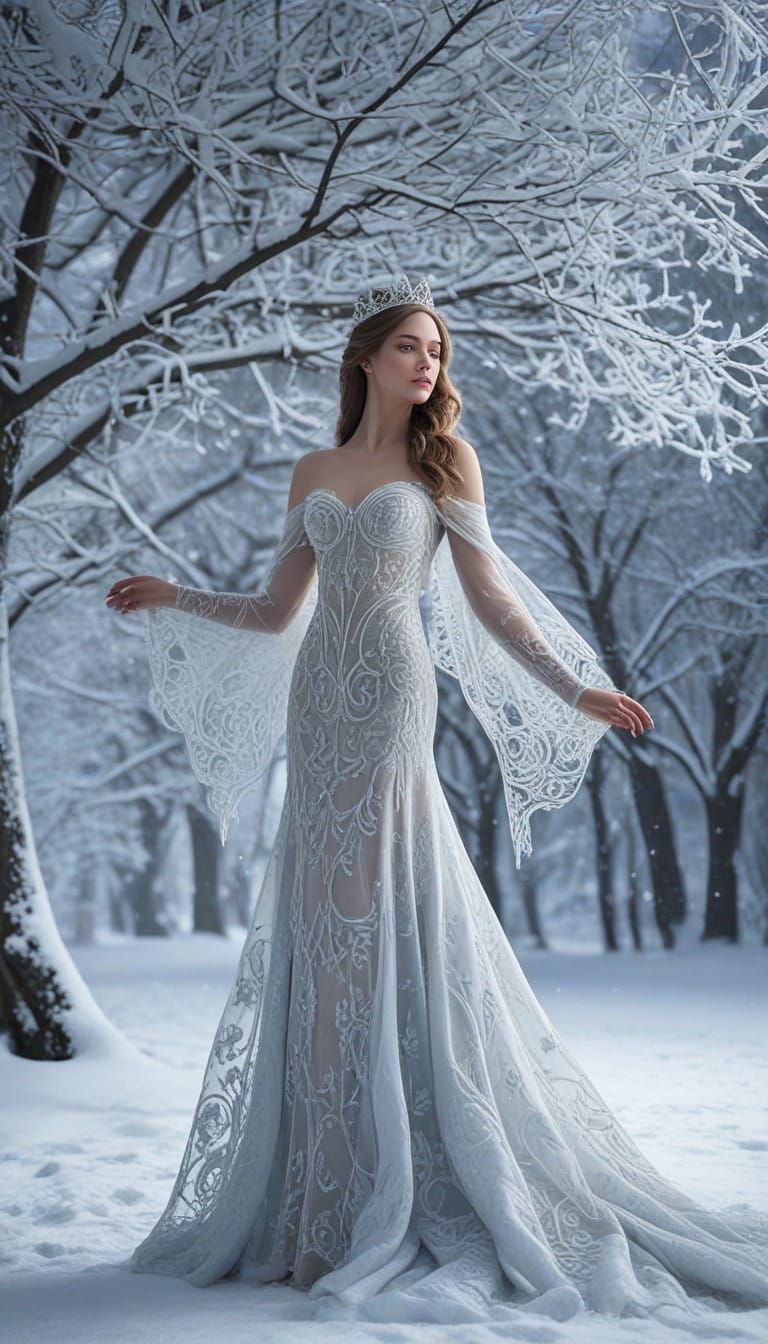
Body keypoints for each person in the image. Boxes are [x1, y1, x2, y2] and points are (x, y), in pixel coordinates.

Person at [106, 276, 767, 1324]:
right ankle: (319, 1197)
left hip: (393, 698)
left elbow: (491, 596)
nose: (430, 365)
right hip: (319, 703)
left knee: (372, 914)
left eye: (439, 352)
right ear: (365, 358)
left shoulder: (442, 460)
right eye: (412, 347)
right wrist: (173, 593)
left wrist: (573, 685)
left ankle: (389, 1184)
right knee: (321, 927)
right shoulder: (314, 468)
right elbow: (279, 612)